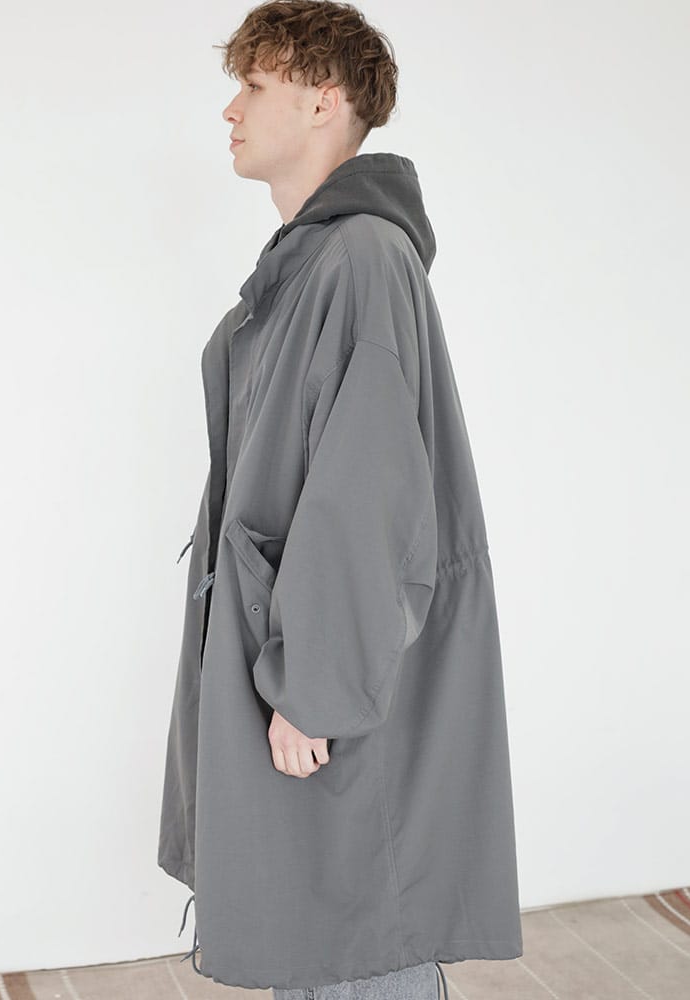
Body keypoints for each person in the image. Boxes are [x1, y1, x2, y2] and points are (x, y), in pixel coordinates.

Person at [158, 2, 523, 998]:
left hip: (326, 679)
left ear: (325, 100)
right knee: (314, 928)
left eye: (254, 85)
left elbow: (367, 498)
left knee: (357, 931)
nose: (230, 109)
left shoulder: (360, 258)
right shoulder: (309, 266)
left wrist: (311, 687)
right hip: (294, 657)